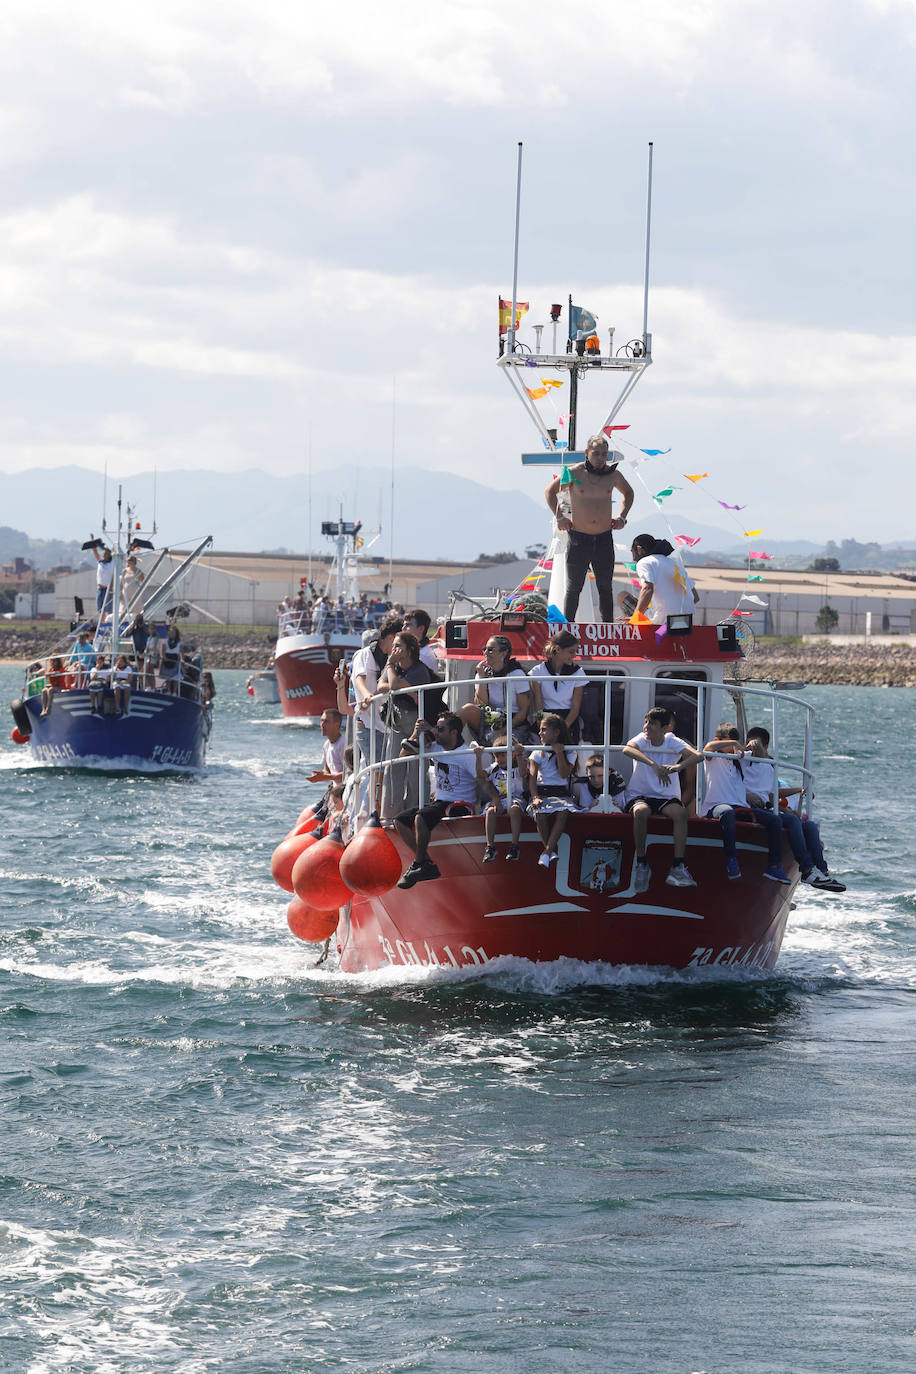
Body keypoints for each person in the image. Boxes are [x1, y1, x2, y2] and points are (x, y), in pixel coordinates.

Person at [545, 433, 634, 623]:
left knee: (605, 587)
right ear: (587, 453)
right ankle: (567, 627)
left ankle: (607, 627)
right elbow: (550, 491)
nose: (600, 458)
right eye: (596, 454)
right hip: (579, 538)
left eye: (604, 454)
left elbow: (629, 492)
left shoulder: (613, 475)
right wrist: (559, 516)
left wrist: (622, 518)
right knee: (573, 587)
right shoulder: (574, 472)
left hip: (603, 538)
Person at [743, 726, 845, 891]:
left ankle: (822, 871)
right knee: (792, 821)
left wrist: (796, 793)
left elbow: (770, 794)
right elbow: (735, 788)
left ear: (766, 746)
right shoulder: (741, 762)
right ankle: (806, 869)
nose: (755, 748)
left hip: (766, 809)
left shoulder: (768, 766)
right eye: (752, 744)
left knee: (809, 826)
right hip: (751, 810)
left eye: (758, 745)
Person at [395, 712, 489, 887]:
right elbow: (403, 754)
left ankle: (419, 863)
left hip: (459, 803)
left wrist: (495, 801)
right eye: (436, 728)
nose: (436, 732)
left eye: (440, 729)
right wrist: (416, 734)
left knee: (421, 817)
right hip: (440, 802)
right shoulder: (436, 747)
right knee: (399, 820)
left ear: (454, 732)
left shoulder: (466, 753)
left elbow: (483, 780)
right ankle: (425, 863)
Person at [622, 706, 704, 891]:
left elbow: (698, 756)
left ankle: (677, 867)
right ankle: (642, 864)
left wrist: (677, 767)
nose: (647, 727)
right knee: (641, 811)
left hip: (665, 796)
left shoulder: (672, 741)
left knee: (680, 814)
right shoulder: (642, 739)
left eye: (652, 723)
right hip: (640, 794)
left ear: (664, 728)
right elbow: (627, 749)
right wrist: (653, 765)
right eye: (646, 722)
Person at [698, 722, 777, 880]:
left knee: (773, 820)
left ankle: (774, 866)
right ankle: (732, 861)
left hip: (739, 807)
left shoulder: (740, 760)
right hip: (716, 806)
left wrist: (755, 747)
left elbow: (763, 760)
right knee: (727, 812)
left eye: (736, 741)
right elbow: (708, 747)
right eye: (730, 741)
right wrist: (734, 743)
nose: (734, 746)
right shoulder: (713, 758)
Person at [527, 714, 579, 867]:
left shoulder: (570, 752)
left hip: (561, 793)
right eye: (540, 730)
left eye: (544, 730)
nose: (540, 733)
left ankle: (546, 852)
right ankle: (550, 851)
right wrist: (535, 797)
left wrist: (559, 753)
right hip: (542, 792)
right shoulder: (537, 753)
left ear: (556, 732)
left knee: (563, 812)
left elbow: (564, 774)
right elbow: (532, 779)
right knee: (540, 812)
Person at [459, 634, 530, 742]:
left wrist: (503, 730)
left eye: (490, 649)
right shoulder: (481, 674)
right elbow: (481, 705)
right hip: (490, 720)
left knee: (504, 741)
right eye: (484, 649)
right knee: (467, 709)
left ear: (504, 653)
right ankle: (452, 747)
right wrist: (482, 678)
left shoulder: (517, 674)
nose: (485, 653)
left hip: (514, 722)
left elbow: (523, 711)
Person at [528, 629, 588, 741]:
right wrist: (547, 731)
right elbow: (538, 707)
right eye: (571, 652)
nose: (574, 655)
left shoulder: (578, 672)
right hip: (546, 720)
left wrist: (562, 730)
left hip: (568, 721)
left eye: (575, 652)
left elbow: (575, 709)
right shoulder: (537, 672)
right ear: (558, 649)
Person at [476, 732, 528, 862]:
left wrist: (520, 754)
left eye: (503, 755)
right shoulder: (494, 768)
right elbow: (481, 776)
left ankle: (514, 845)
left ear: (512, 754)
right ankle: (490, 847)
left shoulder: (517, 766)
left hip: (516, 797)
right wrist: (478, 757)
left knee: (515, 809)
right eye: (496, 755)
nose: (500, 759)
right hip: (500, 799)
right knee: (490, 811)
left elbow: (523, 773)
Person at [627, 534, 699, 625]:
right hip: (684, 623)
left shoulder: (644, 562)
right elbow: (695, 597)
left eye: (632, 552)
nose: (633, 557)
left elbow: (647, 589)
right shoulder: (675, 564)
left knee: (622, 596)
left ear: (639, 550)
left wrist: (634, 619)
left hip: (661, 623)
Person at [308, 708, 346, 784]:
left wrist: (329, 777)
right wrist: (320, 775)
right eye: (321, 721)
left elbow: (351, 772)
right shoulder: (326, 745)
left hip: (346, 790)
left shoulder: (344, 744)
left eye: (326, 722)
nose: (322, 725)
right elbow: (327, 770)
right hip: (336, 788)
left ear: (337, 724)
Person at [402, 608, 441, 675]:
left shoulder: (423, 656)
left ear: (421, 629)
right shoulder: (416, 651)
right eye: (404, 625)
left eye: (408, 625)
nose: (403, 628)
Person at [91, 541, 115, 621]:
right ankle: (101, 623)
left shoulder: (112, 564)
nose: (104, 555)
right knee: (100, 609)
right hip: (100, 588)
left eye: (106, 554)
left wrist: (110, 590)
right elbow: (95, 552)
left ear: (109, 555)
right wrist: (93, 541)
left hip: (108, 589)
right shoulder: (100, 562)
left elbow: (113, 577)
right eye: (103, 554)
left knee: (109, 608)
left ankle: (110, 622)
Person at [157, 624, 183, 695]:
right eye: (170, 632)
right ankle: (168, 690)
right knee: (167, 677)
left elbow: (181, 652)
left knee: (176, 677)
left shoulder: (179, 642)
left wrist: (182, 659)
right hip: (167, 658)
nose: (172, 634)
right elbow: (163, 650)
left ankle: (174, 692)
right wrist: (163, 657)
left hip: (175, 659)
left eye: (173, 632)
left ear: (176, 634)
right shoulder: (165, 641)